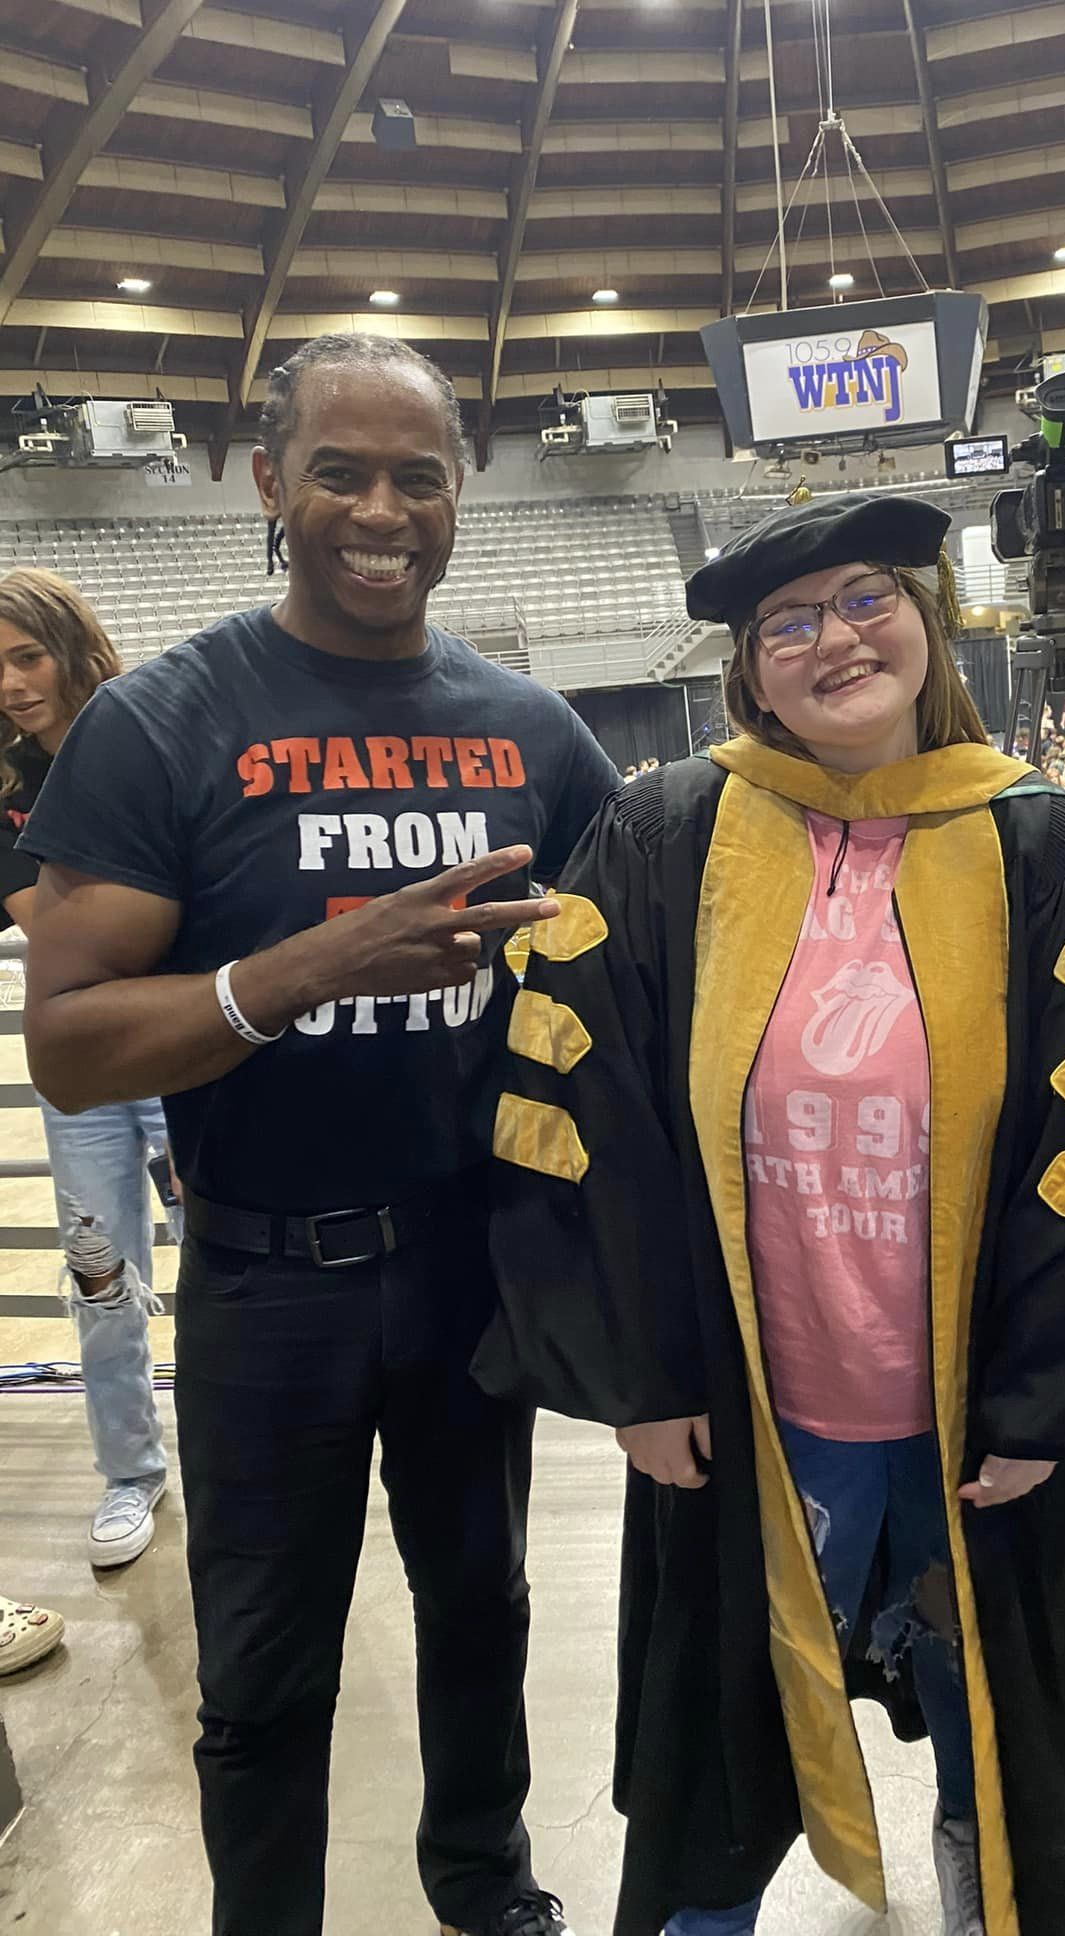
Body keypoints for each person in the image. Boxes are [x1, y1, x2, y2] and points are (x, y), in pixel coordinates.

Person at [474, 493, 1065, 1936]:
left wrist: (1048, 1402)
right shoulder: (662, 838)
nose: (836, 638)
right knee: (727, 1721)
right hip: (751, 1404)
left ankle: (976, 1865)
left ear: (927, 621)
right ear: (752, 673)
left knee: (986, 1695)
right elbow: (576, 1116)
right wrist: (639, 1380)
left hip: (974, 1410)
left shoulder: (1046, 846)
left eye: (868, 597)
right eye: (788, 623)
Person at [19, 334, 618, 1936]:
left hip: (472, 1267)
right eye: (340, 472)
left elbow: (640, 976)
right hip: (267, 1277)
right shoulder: (160, 723)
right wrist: (307, 970)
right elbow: (69, 1045)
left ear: (459, 493)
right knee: (265, 1673)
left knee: (483, 1614)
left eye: (419, 476)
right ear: (270, 481)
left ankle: (487, 1893)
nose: (381, 511)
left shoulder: (534, 734)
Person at [0, 569, 177, 1567]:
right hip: (81, 1071)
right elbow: (56, 931)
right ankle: (130, 1471)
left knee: (227, 1257)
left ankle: (261, 1453)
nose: (12, 684)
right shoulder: (4, 784)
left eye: (28, 656)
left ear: (72, 646)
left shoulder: (153, 737)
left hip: (186, 1049)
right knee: (99, 1276)